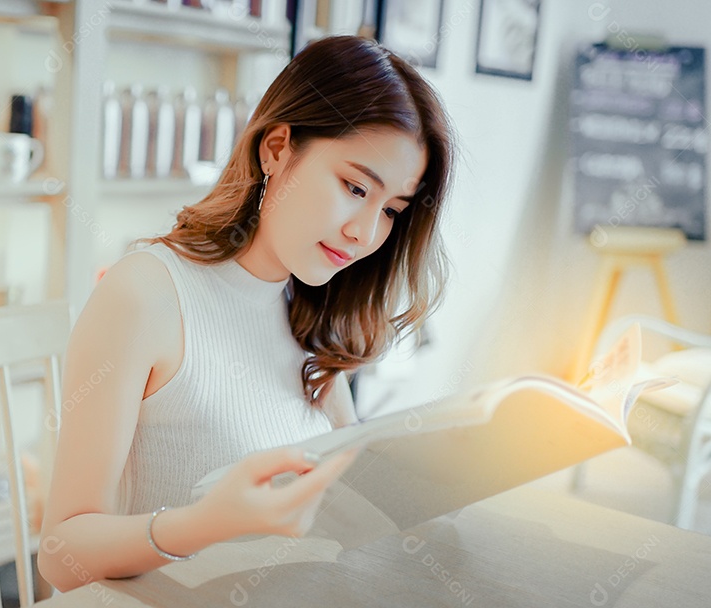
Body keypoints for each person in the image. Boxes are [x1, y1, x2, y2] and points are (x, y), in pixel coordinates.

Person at [37, 34, 454, 594]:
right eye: (355, 187)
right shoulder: (145, 294)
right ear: (277, 149)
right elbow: (62, 557)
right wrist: (206, 523)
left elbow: (349, 493)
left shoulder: (312, 304)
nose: (365, 232)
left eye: (392, 211)